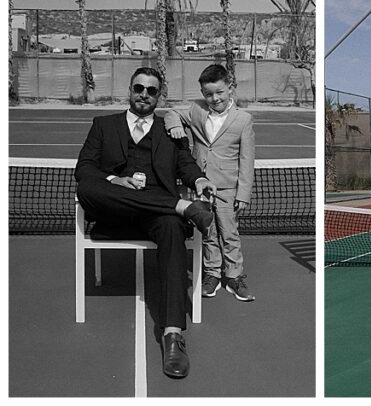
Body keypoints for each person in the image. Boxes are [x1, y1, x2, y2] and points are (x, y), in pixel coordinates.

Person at [75, 66, 217, 379]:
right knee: (87, 186)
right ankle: (182, 207)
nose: (144, 95)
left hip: (157, 217)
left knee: (169, 226)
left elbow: (186, 165)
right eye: (139, 88)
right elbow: (84, 169)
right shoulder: (103, 125)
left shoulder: (171, 130)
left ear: (158, 96)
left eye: (151, 91)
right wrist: (116, 180)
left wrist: (201, 179)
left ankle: (172, 334)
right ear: (130, 89)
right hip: (115, 213)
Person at [164, 64, 257, 302]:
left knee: (230, 234)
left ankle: (234, 277)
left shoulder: (244, 120)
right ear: (203, 93)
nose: (214, 98)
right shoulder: (196, 109)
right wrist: (175, 126)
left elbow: (247, 160)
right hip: (200, 186)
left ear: (230, 88)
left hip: (228, 188)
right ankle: (212, 275)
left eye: (219, 92)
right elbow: (172, 113)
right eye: (208, 94)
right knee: (209, 233)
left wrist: (243, 194)